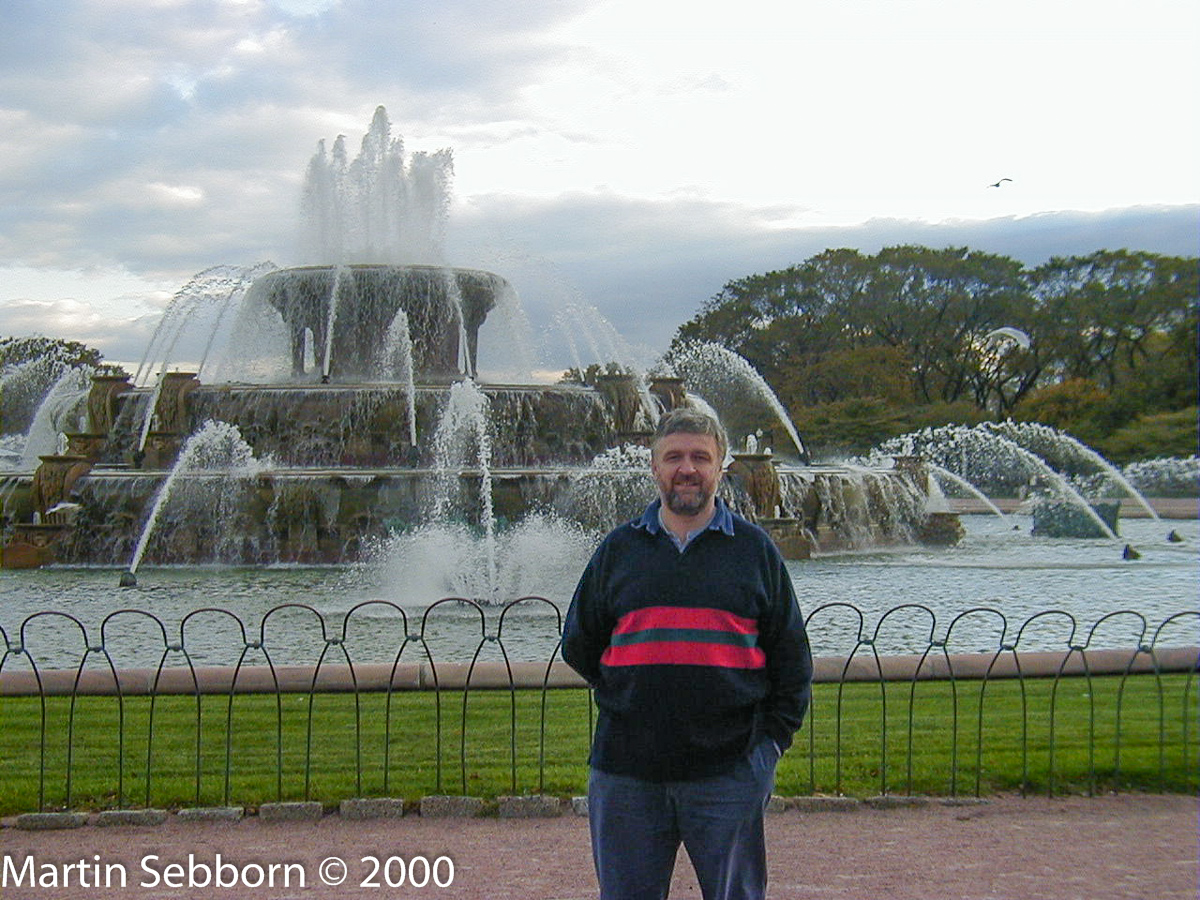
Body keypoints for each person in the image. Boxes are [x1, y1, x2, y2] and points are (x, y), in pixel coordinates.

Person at [562, 407, 813, 900]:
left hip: (729, 773)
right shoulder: (619, 550)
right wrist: (636, 692)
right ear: (654, 466)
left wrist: (767, 750)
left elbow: (792, 663)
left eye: (701, 457)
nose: (687, 469)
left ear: (720, 467)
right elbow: (580, 643)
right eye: (674, 457)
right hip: (627, 773)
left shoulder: (755, 552)